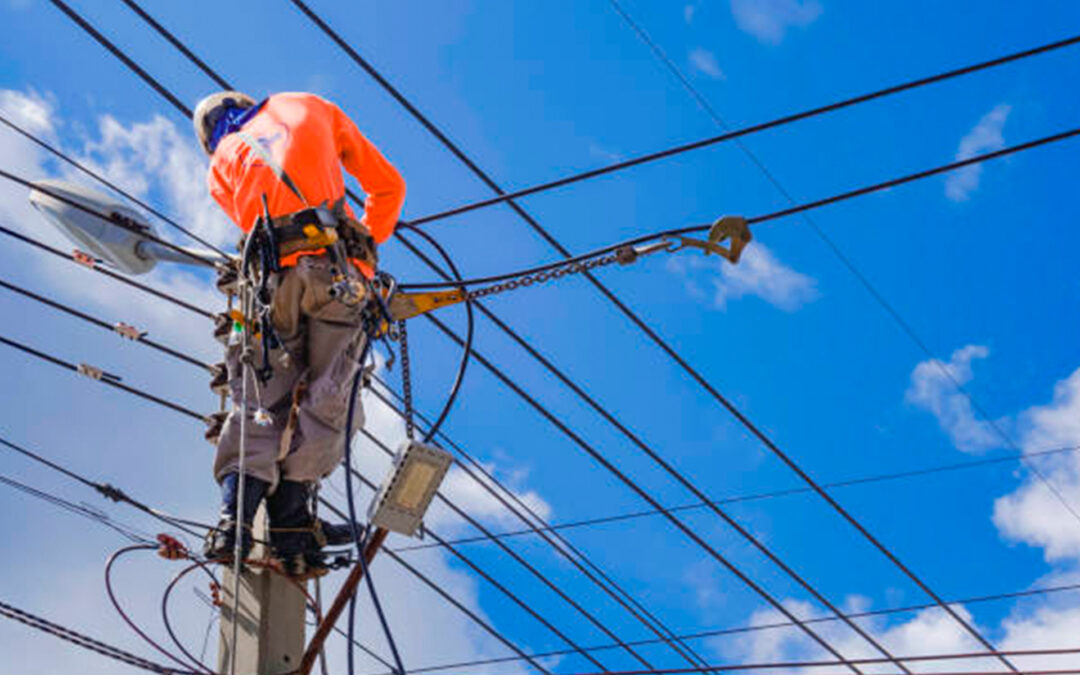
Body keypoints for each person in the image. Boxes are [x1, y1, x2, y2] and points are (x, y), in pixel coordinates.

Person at [193, 91, 406, 576]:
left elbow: (255, 227)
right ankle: (290, 521)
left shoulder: (219, 167)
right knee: (332, 392)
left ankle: (234, 522)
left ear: (210, 138)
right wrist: (365, 246)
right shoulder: (308, 105)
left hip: (269, 290)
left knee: (259, 400)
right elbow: (390, 187)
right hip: (334, 276)